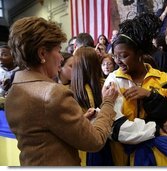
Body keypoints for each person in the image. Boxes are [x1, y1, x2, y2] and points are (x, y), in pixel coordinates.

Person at [5, 16, 119, 166]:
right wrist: (108, 103)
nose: (60, 58)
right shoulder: (52, 93)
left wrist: (80, 122)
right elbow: (95, 141)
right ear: (42, 54)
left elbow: (43, 134)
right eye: (58, 51)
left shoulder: (13, 91)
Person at [101, 13, 167, 166]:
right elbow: (115, 127)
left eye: (123, 56)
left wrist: (151, 95)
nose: (118, 61)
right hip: (123, 159)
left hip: (160, 158)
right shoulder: (113, 81)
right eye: (115, 56)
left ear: (139, 54)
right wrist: (155, 129)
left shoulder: (163, 78)